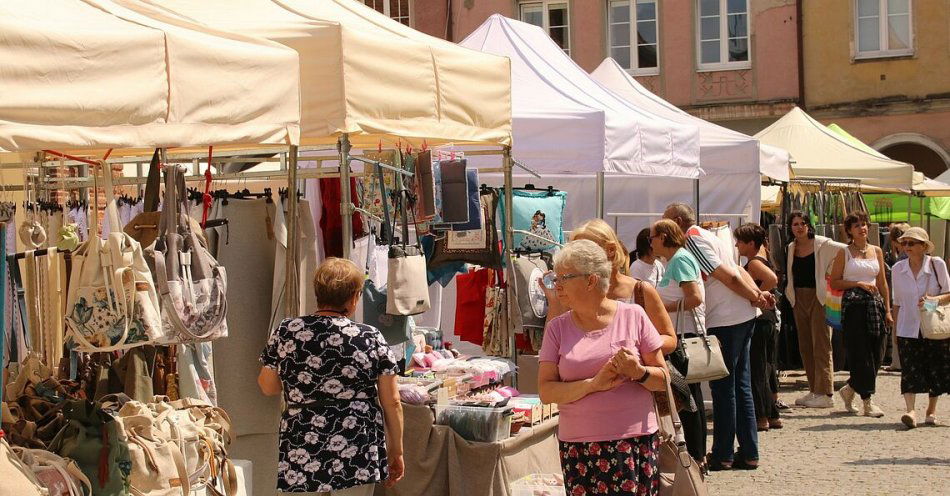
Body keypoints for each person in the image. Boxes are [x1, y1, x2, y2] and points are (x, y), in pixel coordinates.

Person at [258, 258, 404, 495]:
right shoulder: (370, 337)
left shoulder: (287, 331)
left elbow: (268, 387)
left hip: (303, 441)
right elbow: (392, 401)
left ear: (318, 293)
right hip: (358, 443)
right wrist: (396, 451)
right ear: (355, 297)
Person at [538, 239, 668, 495]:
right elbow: (546, 392)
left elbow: (663, 380)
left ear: (591, 280)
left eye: (564, 277)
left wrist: (638, 372)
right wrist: (592, 385)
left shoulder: (633, 316)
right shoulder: (557, 328)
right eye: (556, 277)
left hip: (632, 443)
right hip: (578, 448)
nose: (557, 285)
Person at [663, 203, 769, 471]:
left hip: (726, 318)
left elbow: (729, 276)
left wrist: (755, 297)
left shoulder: (692, 240)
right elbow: (737, 270)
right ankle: (748, 451)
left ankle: (723, 453)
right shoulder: (711, 235)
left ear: (677, 221)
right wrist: (755, 298)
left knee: (725, 389)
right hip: (740, 315)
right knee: (739, 386)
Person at [543, 219, 677, 355]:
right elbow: (552, 344)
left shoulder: (640, 291)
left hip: (631, 373)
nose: (575, 259)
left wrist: (633, 347)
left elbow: (670, 339)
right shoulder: (573, 292)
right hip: (582, 376)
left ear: (611, 250)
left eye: (584, 253)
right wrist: (554, 301)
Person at [650, 219, 708, 462]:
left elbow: (694, 298)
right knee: (688, 396)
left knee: (686, 398)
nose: (650, 241)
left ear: (663, 237)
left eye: (653, 236)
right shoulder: (675, 260)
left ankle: (695, 454)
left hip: (684, 337)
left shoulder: (680, 259)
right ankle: (697, 453)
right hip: (679, 335)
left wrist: (663, 308)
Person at [829, 212, 892, 418]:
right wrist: (857, 283)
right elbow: (835, 281)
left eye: (864, 224)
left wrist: (888, 310)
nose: (861, 228)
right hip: (854, 307)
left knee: (877, 352)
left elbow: (882, 282)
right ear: (849, 230)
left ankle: (850, 389)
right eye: (856, 225)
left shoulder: (876, 251)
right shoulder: (844, 253)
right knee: (860, 354)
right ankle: (868, 401)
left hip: (875, 306)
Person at [889, 227, 950, 428]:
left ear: (923, 246)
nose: (906, 247)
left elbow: (948, 294)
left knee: (936, 367)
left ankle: (931, 410)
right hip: (908, 325)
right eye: (904, 243)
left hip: (934, 326)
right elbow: (897, 302)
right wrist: (895, 330)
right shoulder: (898, 269)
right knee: (909, 370)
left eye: (911, 243)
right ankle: (910, 411)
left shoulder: (936, 264)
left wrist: (932, 300)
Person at [785, 211, 844, 408]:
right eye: (795, 224)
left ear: (809, 225)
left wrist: (831, 275)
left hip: (819, 298)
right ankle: (814, 389)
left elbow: (845, 251)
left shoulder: (823, 243)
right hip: (798, 297)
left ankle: (826, 392)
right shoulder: (791, 247)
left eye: (803, 223)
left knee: (821, 344)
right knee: (805, 345)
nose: (800, 227)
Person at [734, 223, 782, 431]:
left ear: (750, 243)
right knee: (767, 367)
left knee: (757, 368)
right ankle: (772, 414)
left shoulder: (753, 263)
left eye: (740, 242)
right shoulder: (763, 257)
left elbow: (772, 279)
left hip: (761, 319)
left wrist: (757, 298)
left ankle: (761, 416)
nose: (736, 245)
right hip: (768, 319)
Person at [884, 222, 911, 372]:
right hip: (913, 300)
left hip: (901, 300)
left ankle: (898, 362)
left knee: (898, 330)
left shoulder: (901, 260)